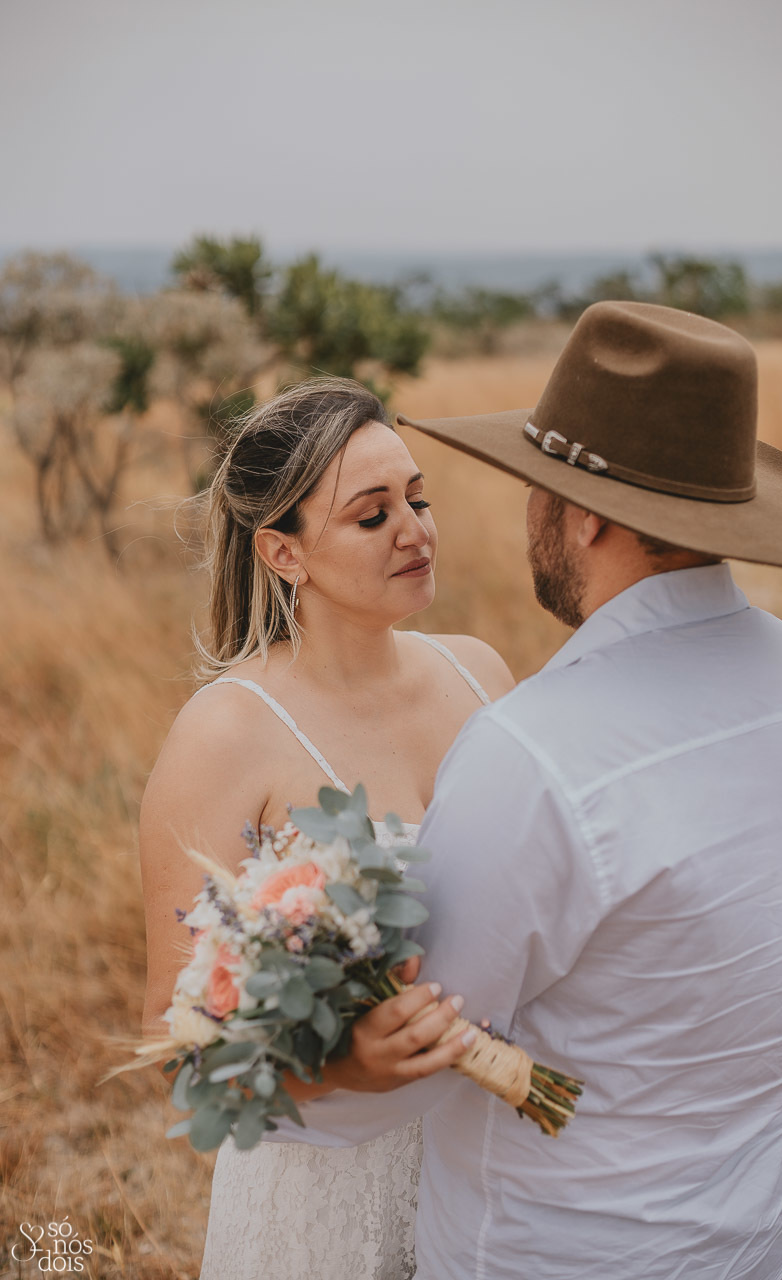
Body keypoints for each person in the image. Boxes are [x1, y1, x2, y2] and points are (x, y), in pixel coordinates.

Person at [269, 302, 782, 1280]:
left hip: (556, 1252)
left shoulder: (537, 753)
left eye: (537, 482)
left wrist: (277, 1071)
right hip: (755, 1241)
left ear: (584, 513)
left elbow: (420, 1054)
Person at [138, 376, 515, 1280]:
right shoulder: (224, 735)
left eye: (418, 499)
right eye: (372, 515)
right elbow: (170, 1040)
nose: (414, 531)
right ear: (283, 552)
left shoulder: (481, 674)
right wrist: (343, 1066)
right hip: (330, 1196)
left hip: (494, 1158)